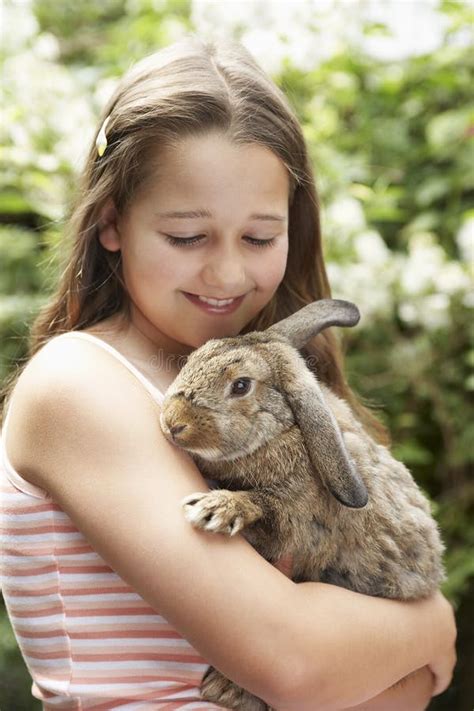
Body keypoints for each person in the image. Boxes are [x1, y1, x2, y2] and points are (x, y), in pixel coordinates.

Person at [0, 34, 456, 711]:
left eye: (260, 237)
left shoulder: (261, 384)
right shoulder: (81, 385)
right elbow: (298, 665)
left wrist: (393, 658)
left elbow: (399, 681)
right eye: (187, 236)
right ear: (110, 222)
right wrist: (431, 625)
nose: (228, 274)